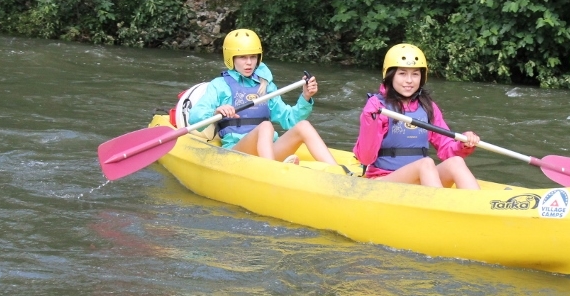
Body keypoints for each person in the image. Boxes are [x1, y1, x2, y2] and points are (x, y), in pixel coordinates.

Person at [189, 28, 337, 165]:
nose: (249, 63)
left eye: (253, 57)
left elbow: (290, 120)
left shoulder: (265, 86)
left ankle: (337, 172)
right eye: (242, 57)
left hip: (269, 151)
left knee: (303, 126)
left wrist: (305, 97)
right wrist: (216, 111)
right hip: (237, 153)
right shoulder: (220, 85)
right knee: (265, 126)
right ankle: (272, 172)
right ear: (231, 58)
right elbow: (195, 118)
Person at [354, 43, 480, 189]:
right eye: (402, 73)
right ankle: (439, 208)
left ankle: (481, 208)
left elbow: (447, 149)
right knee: (426, 163)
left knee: (456, 162)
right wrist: (371, 119)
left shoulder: (428, 107)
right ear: (390, 75)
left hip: (419, 179)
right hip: (384, 181)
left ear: (422, 77)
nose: (409, 80)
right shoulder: (377, 107)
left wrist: (463, 143)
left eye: (415, 74)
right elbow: (365, 157)